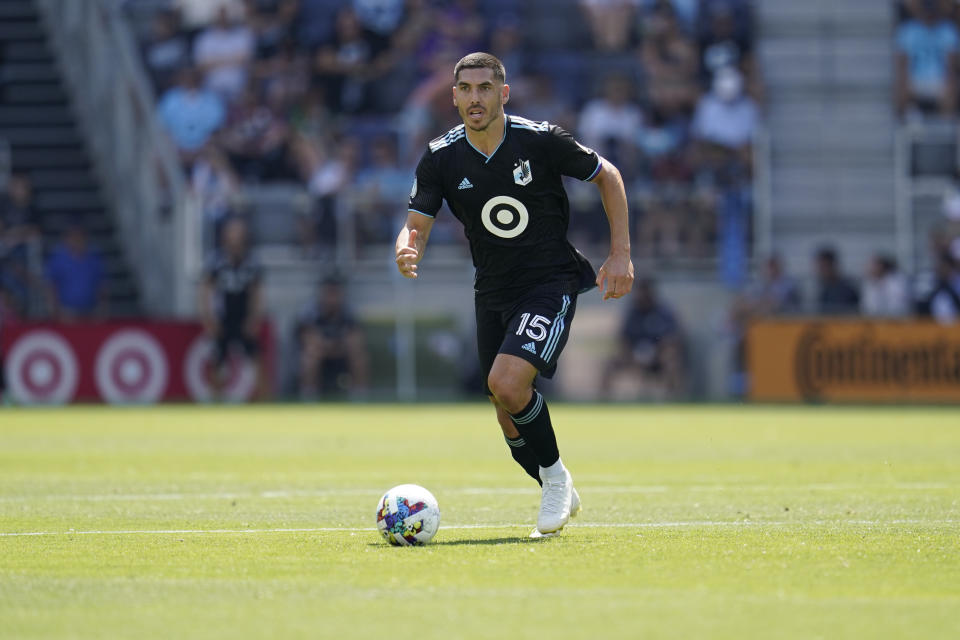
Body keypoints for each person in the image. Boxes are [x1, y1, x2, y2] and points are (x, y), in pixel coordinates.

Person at [395, 53, 634, 537]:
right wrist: (406, 247)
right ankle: (557, 478)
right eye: (466, 89)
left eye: (485, 88)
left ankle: (553, 482)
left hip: (549, 282)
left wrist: (621, 254)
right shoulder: (441, 156)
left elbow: (608, 175)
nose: (475, 97)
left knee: (508, 384)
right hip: (492, 291)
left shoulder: (540, 139)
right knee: (504, 406)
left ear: (503, 94)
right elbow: (414, 225)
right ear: (455, 96)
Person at [199, 216, 267, 399]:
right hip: (223, 316)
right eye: (232, 232)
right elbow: (206, 290)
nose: (235, 236)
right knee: (217, 359)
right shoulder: (216, 261)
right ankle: (216, 398)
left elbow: (256, 292)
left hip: (243, 316)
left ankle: (263, 400)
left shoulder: (252, 262)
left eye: (239, 232)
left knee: (255, 357)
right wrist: (208, 318)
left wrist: (254, 319)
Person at [600, 277, 684, 400]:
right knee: (609, 363)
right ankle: (604, 402)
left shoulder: (663, 312)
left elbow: (672, 339)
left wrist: (658, 353)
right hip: (633, 356)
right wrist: (630, 354)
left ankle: (672, 400)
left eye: (644, 292)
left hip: (658, 358)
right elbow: (623, 338)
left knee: (672, 363)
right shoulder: (632, 312)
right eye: (639, 292)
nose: (641, 296)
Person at [295, 275, 369, 399]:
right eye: (329, 293)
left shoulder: (347, 312)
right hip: (320, 355)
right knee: (309, 357)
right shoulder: (311, 312)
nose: (332, 298)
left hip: (341, 355)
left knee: (359, 357)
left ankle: (359, 397)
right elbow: (310, 340)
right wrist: (330, 345)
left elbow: (356, 339)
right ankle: (309, 397)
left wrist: (334, 346)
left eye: (335, 293)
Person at [44, 225, 107, 321]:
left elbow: (101, 286)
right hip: (67, 311)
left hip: (91, 310)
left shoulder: (94, 259)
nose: (77, 241)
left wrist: (102, 309)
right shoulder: (58, 260)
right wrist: (54, 309)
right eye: (73, 237)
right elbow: (51, 286)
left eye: (79, 237)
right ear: (67, 240)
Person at [814, 245, 860, 315]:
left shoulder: (847, 290)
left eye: (824, 266)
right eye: (820, 267)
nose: (821, 270)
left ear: (833, 265)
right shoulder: (817, 287)